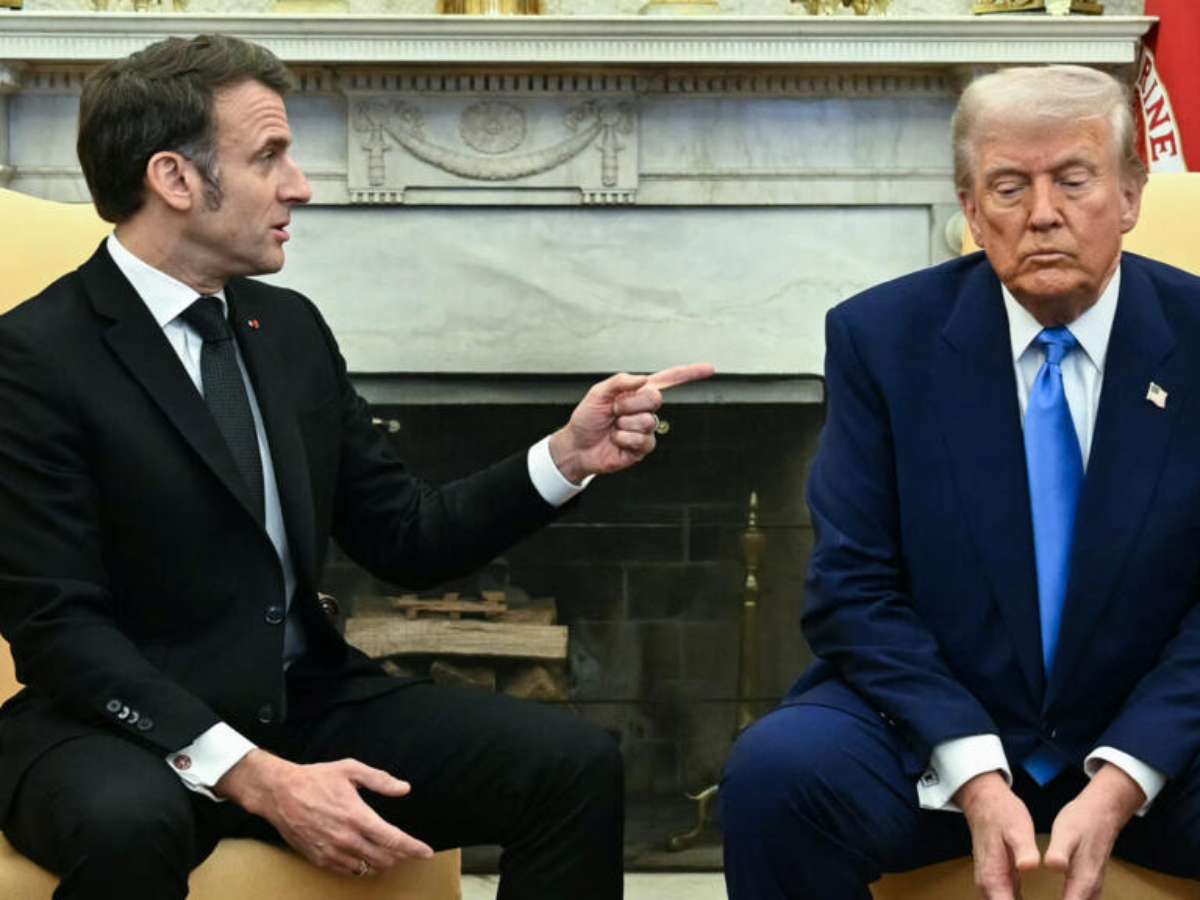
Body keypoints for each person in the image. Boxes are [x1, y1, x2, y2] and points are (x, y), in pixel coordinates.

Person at [0, 34, 712, 900]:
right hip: (117, 729)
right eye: (269, 156)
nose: (299, 186)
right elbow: (59, 627)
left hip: (302, 701)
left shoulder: (288, 329)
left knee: (573, 764)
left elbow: (406, 536)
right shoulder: (33, 356)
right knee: (128, 827)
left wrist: (567, 457)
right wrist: (256, 776)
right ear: (175, 179)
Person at [721, 64, 1200, 900]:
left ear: (1129, 195)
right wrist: (974, 772)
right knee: (776, 775)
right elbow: (851, 586)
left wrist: (1128, 772)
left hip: (1156, 730)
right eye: (1009, 187)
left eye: (1073, 181)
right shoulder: (881, 339)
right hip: (934, 728)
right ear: (972, 212)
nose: (1042, 213)